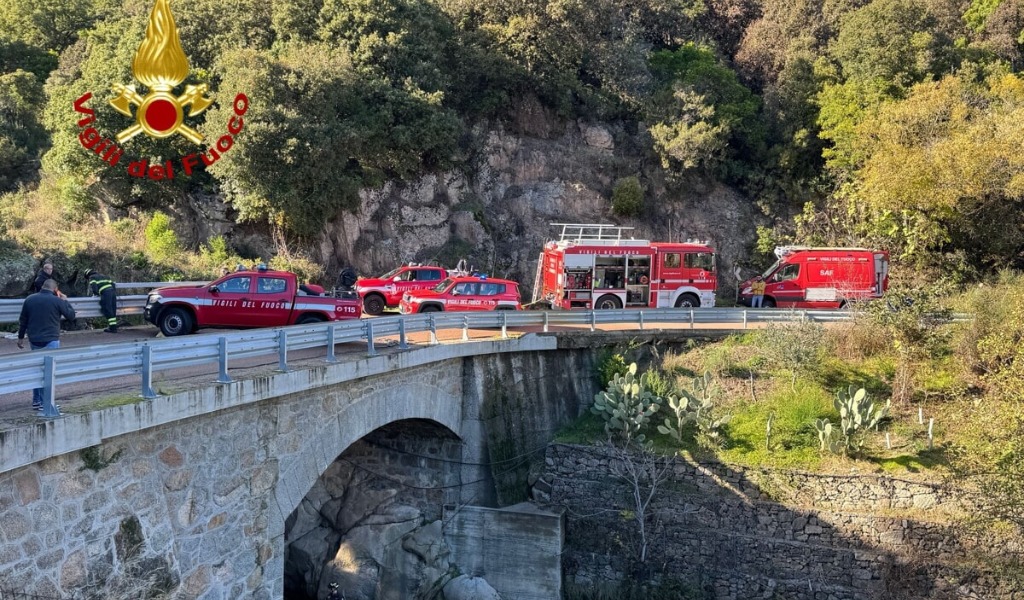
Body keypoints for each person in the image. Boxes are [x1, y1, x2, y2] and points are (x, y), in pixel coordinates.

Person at [18, 279, 76, 411]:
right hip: (51, 339)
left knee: (37, 370)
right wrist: (65, 300)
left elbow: (23, 320)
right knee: (49, 371)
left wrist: (20, 337)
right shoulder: (57, 301)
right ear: (55, 289)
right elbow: (71, 316)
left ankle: (36, 401)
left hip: (34, 340)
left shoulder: (29, 299)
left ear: (42, 287)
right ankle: (46, 403)